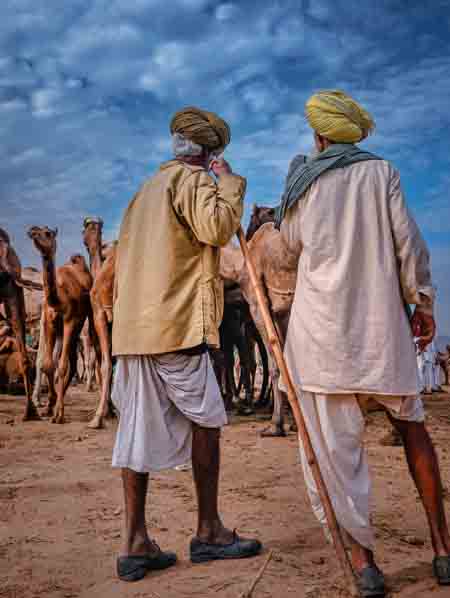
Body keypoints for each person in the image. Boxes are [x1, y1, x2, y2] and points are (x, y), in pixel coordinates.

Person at [277, 90, 450, 596]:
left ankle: (365, 562)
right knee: (413, 427)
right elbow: (408, 245)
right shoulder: (383, 173)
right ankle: (442, 549)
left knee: (338, 450)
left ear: (320, 136)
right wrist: (422, 304)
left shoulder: (304, 184)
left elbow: (289, 247)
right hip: (380, 332)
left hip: (321, 337)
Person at [111, 107, 262, 582]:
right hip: (176, 325)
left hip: (135, 331)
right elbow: (216, 229)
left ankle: (136, 542)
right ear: (209, 153)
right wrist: (230, 183)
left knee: (135, 429)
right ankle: (209, 530)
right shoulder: (193, 182)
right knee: (209, 420)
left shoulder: (143, 192)